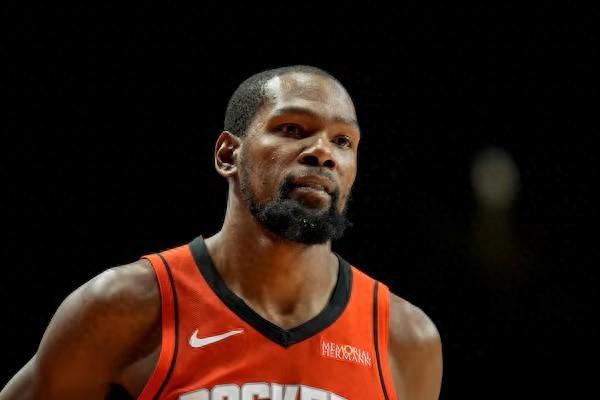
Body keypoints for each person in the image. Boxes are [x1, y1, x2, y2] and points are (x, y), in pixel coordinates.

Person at [0, 65, 443, 400]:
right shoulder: (124, 306)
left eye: (343, 141)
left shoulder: (405, 338)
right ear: (228, 154)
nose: (322, 152)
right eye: (293, 129)